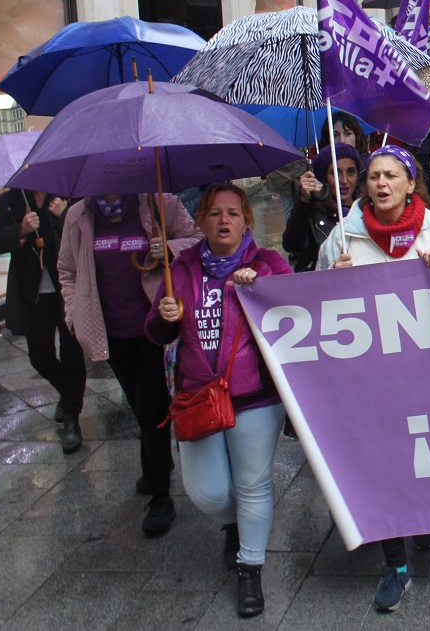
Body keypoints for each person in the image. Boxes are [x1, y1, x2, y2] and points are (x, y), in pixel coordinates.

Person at [317, 145, 430, 612]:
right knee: (383, 463)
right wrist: (331, 278)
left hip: (426, 374)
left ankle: (424, 516)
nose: (381, 184)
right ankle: (395, 564)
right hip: (369, 379)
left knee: (424, 456)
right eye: (374, 176)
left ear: (411, 182)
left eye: (391, 176)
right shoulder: (343, 237)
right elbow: (314, 303)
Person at [145, 183, 292, 618]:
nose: (223, 220)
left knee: (253, 485)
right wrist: (165, 316)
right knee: (207, 493)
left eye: (232, 213)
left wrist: (260, 286)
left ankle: (251, 569)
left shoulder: (267, 263)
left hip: (256, 399)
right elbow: (155, 331)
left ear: (247, 221)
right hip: (198, 398)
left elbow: (294, 308)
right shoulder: (181, 268)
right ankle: (237, 523)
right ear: (201, 222)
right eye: (214, 213)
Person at [59, 193, 202, 534]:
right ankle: (156, 466)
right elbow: (67, 271)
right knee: (141, 407)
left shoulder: (159, 203)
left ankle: (161, 498)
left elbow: (197, 240)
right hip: (110, 334)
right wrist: (74, 316)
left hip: (156, 330)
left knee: (151, 409)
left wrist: (169, 248)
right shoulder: (78, 216)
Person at [0, 189, 85, 453]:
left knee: (72, 353)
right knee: (40, 356)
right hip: (34, 294)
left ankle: (72, 417)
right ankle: (68, 392)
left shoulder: (66, 193)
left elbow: (88, 235)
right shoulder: (11, 202)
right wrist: (20, 229)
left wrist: (65, 215)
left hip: (67, 290)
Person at [282, 144, 362, 272]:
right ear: (324, 177)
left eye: (350, 171)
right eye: (335, 172)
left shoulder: (366, 209)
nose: (344, 180)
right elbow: (292, 245)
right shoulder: (313, 210)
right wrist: (304, 202)